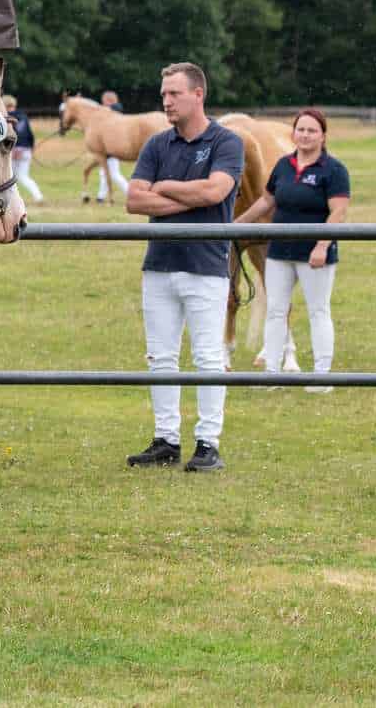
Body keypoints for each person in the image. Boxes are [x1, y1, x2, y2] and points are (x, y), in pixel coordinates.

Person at [124, 63, 244, 473]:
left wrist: (164, 188)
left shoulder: (227, 142)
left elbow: (216, 191)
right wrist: (191, 199)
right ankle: (166, 440)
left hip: (206, 264)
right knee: (160, 356)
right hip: (159, 264)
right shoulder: (157, 144)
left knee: (208, 356)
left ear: (198, 95)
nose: (166, 101)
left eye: (174, 94)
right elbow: (134, 200)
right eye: (164, 94)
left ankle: (208, 443)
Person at [234, 108, 350, 392]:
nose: (305, 135)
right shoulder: (284, 166)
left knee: (318, 311)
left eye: (312, 130)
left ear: (323, 136)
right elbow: (266, 201)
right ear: (293, 133)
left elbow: (338, 212)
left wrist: (322, 245)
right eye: (301, 130)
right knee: (276, 311)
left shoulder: (334, 170)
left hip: (314, 254)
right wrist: (236, 225)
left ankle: (322, 377)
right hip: (279, 252)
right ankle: (272, 374)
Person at [3, 95, 44, 203]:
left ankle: (12, 200)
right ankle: (37, 196)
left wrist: (16, 149)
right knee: (21, 176)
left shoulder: (7, 117)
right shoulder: (23, 116)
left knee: (10, 177)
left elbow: (14, 134)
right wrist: (31, 148)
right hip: (26, 150)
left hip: (15, 151)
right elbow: (29, 134)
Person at [97, 89, 128, 203]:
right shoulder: (111, 109)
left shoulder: (116, 108)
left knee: (114, 174)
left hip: (112, 146)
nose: (102, 103)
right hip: (108, 145)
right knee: (104, 172)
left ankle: (130, 193)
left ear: (109, 100)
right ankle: (100, 197)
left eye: (104, 100)